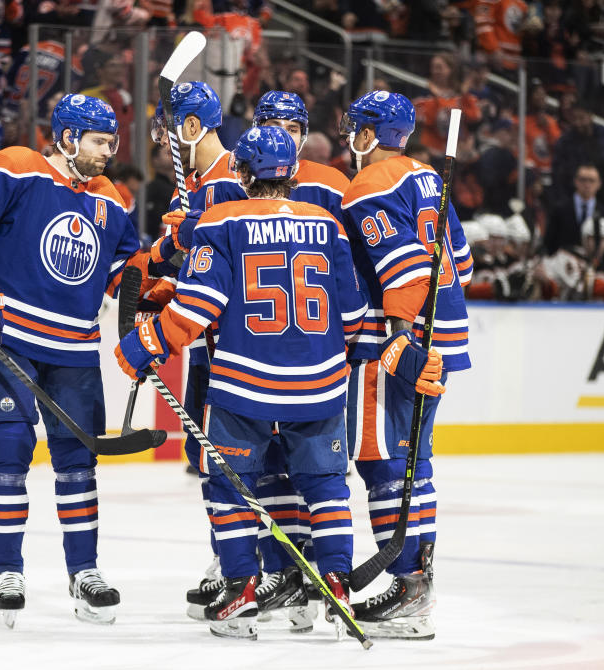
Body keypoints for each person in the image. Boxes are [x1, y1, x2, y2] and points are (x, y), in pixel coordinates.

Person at [114, 125, 367, 640]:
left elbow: (199, 304)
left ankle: (242, 588)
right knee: (326, 487)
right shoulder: (326, 222)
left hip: (243, 382)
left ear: (242, 172)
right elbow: (356, 310)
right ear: (293, 171)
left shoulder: (220, 218)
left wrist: (146, 344)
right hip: (319, 382)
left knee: (229, 485)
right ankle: (337, 585)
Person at [0, 93, 148, 628]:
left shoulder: (111, 197)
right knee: (8, 447)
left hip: (75, 348)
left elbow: (127, 274)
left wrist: (166, 255)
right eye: (100, 142)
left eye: (112, 142)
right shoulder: (14, 167)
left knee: (79, 461)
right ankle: (7, 572)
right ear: (69, 137)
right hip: (12, 341)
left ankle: (85, 572)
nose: (108, 152)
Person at [339, 90, 470, 640]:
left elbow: (404, 267)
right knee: (419, 458)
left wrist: (399, 339)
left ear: (369, 134)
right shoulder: (431, 181)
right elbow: (459, 259)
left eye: (355, 128)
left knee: (382, 460)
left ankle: (406, 581)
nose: (351, 136)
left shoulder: (368, 183)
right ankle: (420, 579)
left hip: (394, 340)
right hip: (442, 333)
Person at [242, 90, 351, 626]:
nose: (282, 131)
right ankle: (288, 572)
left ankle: (301, 572)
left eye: (291, 123)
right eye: (272, 123)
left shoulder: (333, 183)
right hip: (310, 354)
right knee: (274, 472)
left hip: (275, 354)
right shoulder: (325, 189)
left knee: (294, 471)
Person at [149, 80, 248, 617]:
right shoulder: (197, 182)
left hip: (231, 344)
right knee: (203, 457)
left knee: (227, 459)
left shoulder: (230, 179)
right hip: (207, 342)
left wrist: (173, 248)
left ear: (191, 128)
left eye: (171, 135)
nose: (166, 146)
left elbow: (226, 260)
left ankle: (243, 566)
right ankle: (227, 558)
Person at [546, 163, 604, 275]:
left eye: (591, 180)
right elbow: (550, 243)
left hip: (595, 273)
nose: (587, 184)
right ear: (576, 181)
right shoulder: (559, 210)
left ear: (599, 184)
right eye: (583, 180)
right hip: (563, 271)